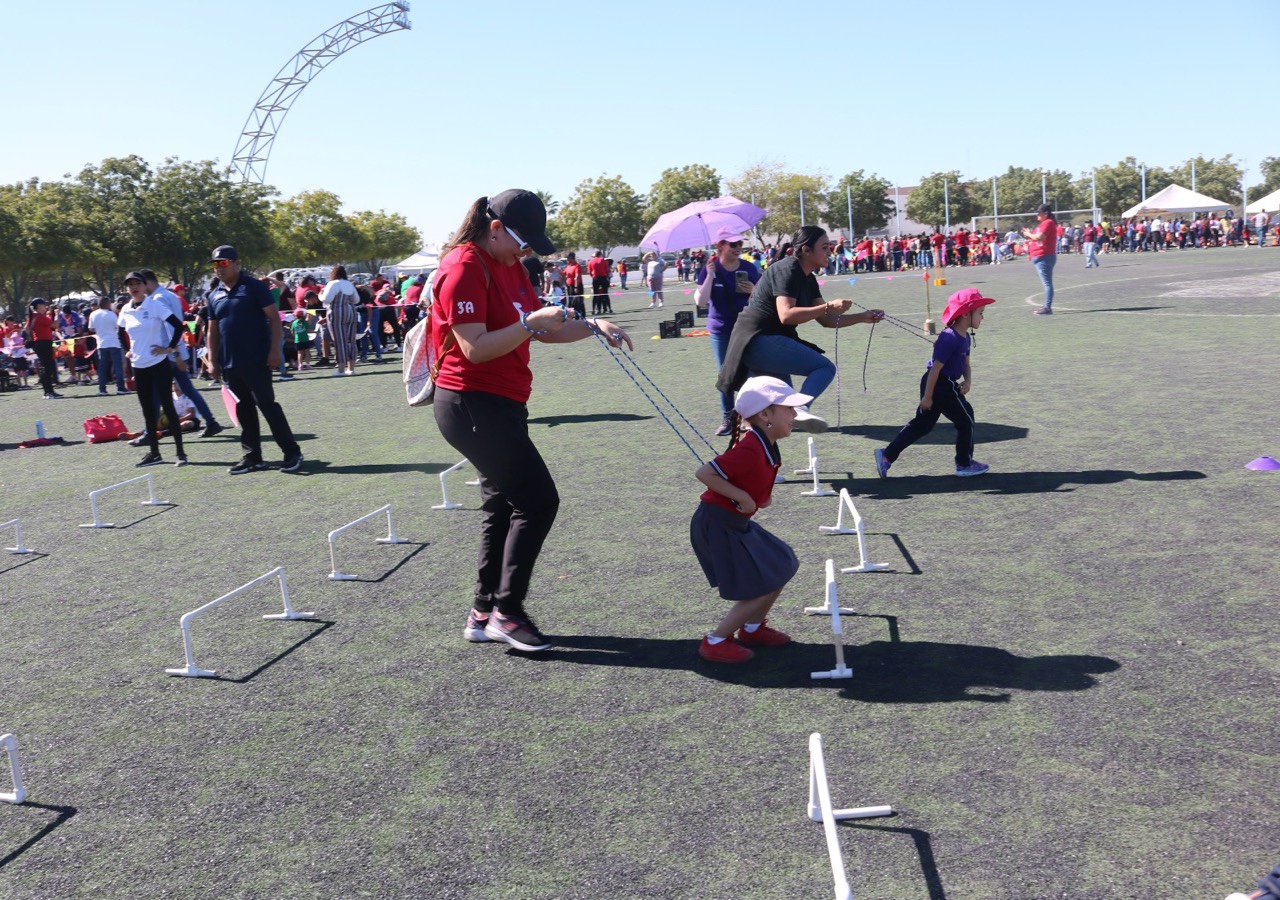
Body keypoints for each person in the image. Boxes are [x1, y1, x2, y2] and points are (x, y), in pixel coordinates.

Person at [429, 189, 631, 653]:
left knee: (503, 504)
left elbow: (541, 330)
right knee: (539, 501)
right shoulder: (462, 266)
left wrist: (595, 328)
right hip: (470, 403)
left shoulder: (510, 265)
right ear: (495, 227)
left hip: (502, 404)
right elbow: (476, 347)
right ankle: (507, 612)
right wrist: (529, 323)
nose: (526, 252)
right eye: (523, 241)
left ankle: (483, 612)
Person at [715, 226, 883, 434]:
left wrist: (862, 318)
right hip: (757, 340)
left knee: (780, 406)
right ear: (806, 250)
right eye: (824, 247)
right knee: (824, 368)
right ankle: (800, 409)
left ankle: (752, 426)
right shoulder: (788, 269)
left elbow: (826, 320)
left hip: (761, 342)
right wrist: (828, 306)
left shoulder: (808, 277)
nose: (829, 251)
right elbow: (786, 315)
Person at [690, 376, 804, 663]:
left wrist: (758, 497)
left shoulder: (765, 444)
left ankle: (752, 628)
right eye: (788, 408)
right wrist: (743, 498)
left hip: (733, 523)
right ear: (765, 414)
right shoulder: (751, 447)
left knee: (781, 563)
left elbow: (756, 481)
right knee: (760, 585)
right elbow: (705, 473)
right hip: (718, 525)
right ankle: (715, 641)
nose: (795, 414)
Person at [873, 288, 994, 479]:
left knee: (923, 425)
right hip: (939, 383)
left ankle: (886, 456)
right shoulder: (949, 337)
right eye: (980, 313)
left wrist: (968, 380)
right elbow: (935, 369)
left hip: (943, 383)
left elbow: (966, 364)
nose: (982, 318)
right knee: (966, 419)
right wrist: (927, 396)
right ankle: (964, 463)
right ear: (965, 314)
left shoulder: (966, 338)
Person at [205, 245, 304, 475]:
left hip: (257, 359)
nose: (219, 268)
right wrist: (212, 360)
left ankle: (292, 452)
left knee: (267, 405)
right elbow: (213, 330)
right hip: (230, 363)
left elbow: (275, 319)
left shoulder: (253, 286)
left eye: (224, 263)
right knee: (243, 409)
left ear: (236, 263)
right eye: (215, 264)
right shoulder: (213, 294)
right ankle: (252, 457)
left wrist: (274, 351)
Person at [140, 270, 225, 436]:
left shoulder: (158, 299)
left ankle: (150, 430)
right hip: (174, 351)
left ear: (147, 283)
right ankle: (211, 421)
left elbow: (171, 327)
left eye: (140, 284)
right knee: (187, 390)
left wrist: (174, 353)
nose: (139, 288)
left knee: (157, 392)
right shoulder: (170, 295)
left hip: (168, 354)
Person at [118, 272, 189, 467]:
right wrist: (128, 351)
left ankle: (180, 453)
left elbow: (178, 325)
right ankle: (155, 453)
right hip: (139, 367)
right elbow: (120, 331)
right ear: (127, 288)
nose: (134, 287)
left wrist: (169, 348)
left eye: (137, 283)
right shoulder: (125, 309)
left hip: (159, 364)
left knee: (168, 407)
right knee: (148, 411)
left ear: (144, 285)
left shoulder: (155, 304)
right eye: (130, 284)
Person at [695, 233, 760, 435]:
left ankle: (750, 417)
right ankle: (728, 418)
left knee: (750, 373)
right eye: (733, 244)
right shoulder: (709, 269)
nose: (738, 247)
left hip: (746, 327)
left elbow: (764, 296)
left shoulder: (748, 268)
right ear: (720, 245)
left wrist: (753, 290)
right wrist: (710, 275)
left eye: (740, 243)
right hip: (720, 330)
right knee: (725, 375)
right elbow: (701, 301)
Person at [320, 265, 360, 376]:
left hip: (337, 313)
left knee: (339, 341)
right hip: (351, 312)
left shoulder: (333, 284)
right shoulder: (350, 284)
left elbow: (326, 299)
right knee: (351, 340)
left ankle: (341, 369)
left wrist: (320, 295)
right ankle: (351, 368)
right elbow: (356, 300)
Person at [89, 296, 128, 395]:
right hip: (114, 343)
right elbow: (117, 327)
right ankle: (120, 388)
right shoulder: (112, 314)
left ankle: (102, 389)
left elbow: (91, 329)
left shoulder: (93, 314)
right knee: (117, 366)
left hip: (101, 344)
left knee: (102, 367)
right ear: (107, 304)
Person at [1024, 204, 1059, 315]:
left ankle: (1047, 308)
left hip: (1045, 257)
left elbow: (1040, 237)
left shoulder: (1048, 222)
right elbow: (1036, 239)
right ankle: (1046, 306)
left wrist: (1029, 234)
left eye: (1039, 213)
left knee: (1047, 284)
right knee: (1046, 283)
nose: (1037, 215)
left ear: (1046, 213)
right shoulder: (1043, 224)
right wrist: (1029, 236)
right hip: (1041, 257)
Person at [25, 298, 61, 399]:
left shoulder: (33, 316)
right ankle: (49, 392)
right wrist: (57, 314)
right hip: (44, 343)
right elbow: (55, 325)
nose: (45, 306)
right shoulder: (40, 316)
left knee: (46, 368)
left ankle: (48, 392)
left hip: (39, 344)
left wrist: (33, 335)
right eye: (44, 304)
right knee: (48, 368)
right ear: (39, 306)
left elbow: (27, 329)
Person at [586, 250, 611, 315]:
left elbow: (589, 271)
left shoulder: (591, 261)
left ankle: (594, 310)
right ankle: (609, 309)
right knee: (605, 294)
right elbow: (607, 270)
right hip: (603, 278)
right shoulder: (602, 260)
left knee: (595, 295)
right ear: (600, 255)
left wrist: (593, 277)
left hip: (595, 278)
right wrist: (606, 276)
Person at [561, 252, 584, 317]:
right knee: (571, 301)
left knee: (578, 301)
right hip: (570, 286)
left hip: (576, 286)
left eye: (568, 258)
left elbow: (577, 277)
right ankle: (573, 315)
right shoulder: (568, 266)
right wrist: (557, 269)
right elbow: (563, 274)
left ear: (571, 258)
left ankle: (581, 315)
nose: (567, 260)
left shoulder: (577, 266)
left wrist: (576, 287)